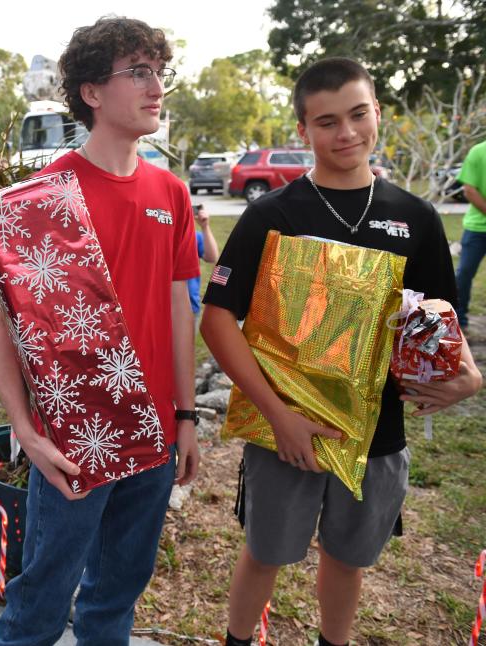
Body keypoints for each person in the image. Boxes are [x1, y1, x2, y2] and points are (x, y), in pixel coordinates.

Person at [200, 58, 483, 646]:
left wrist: (469, 377)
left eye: (358, 115)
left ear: (377, 112)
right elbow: (217, 319)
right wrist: (280, 418)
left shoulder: (416, 217)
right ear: (303, 130)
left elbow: (440, 318)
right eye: (327, 122)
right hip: (284, 432)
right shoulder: (271, 216)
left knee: (348, 559)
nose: (346, 133)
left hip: (377, 433)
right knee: (265, 553)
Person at [0, 17, 201, 645]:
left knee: (116, 600)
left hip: (157, 433)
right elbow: (4, 326)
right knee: (40, 605)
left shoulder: (172, 192)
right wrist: (25, 432)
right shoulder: (45, 196)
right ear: (91, 92)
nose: (155, 86)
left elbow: (178, 310)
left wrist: (186, 417)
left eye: (160, 72)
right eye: (137, 72)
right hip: (78, 438)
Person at [454, 138, 486, 331]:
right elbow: (469, 190)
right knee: (464, 273)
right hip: (477, 229)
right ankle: (459, 322)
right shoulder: (478, 151)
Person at [187, 203, 220, 318]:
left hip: (190, 306)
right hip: (161, 305)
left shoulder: (195, 237)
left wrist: (205, 227)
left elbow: (212, 257)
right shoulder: (160, 238)